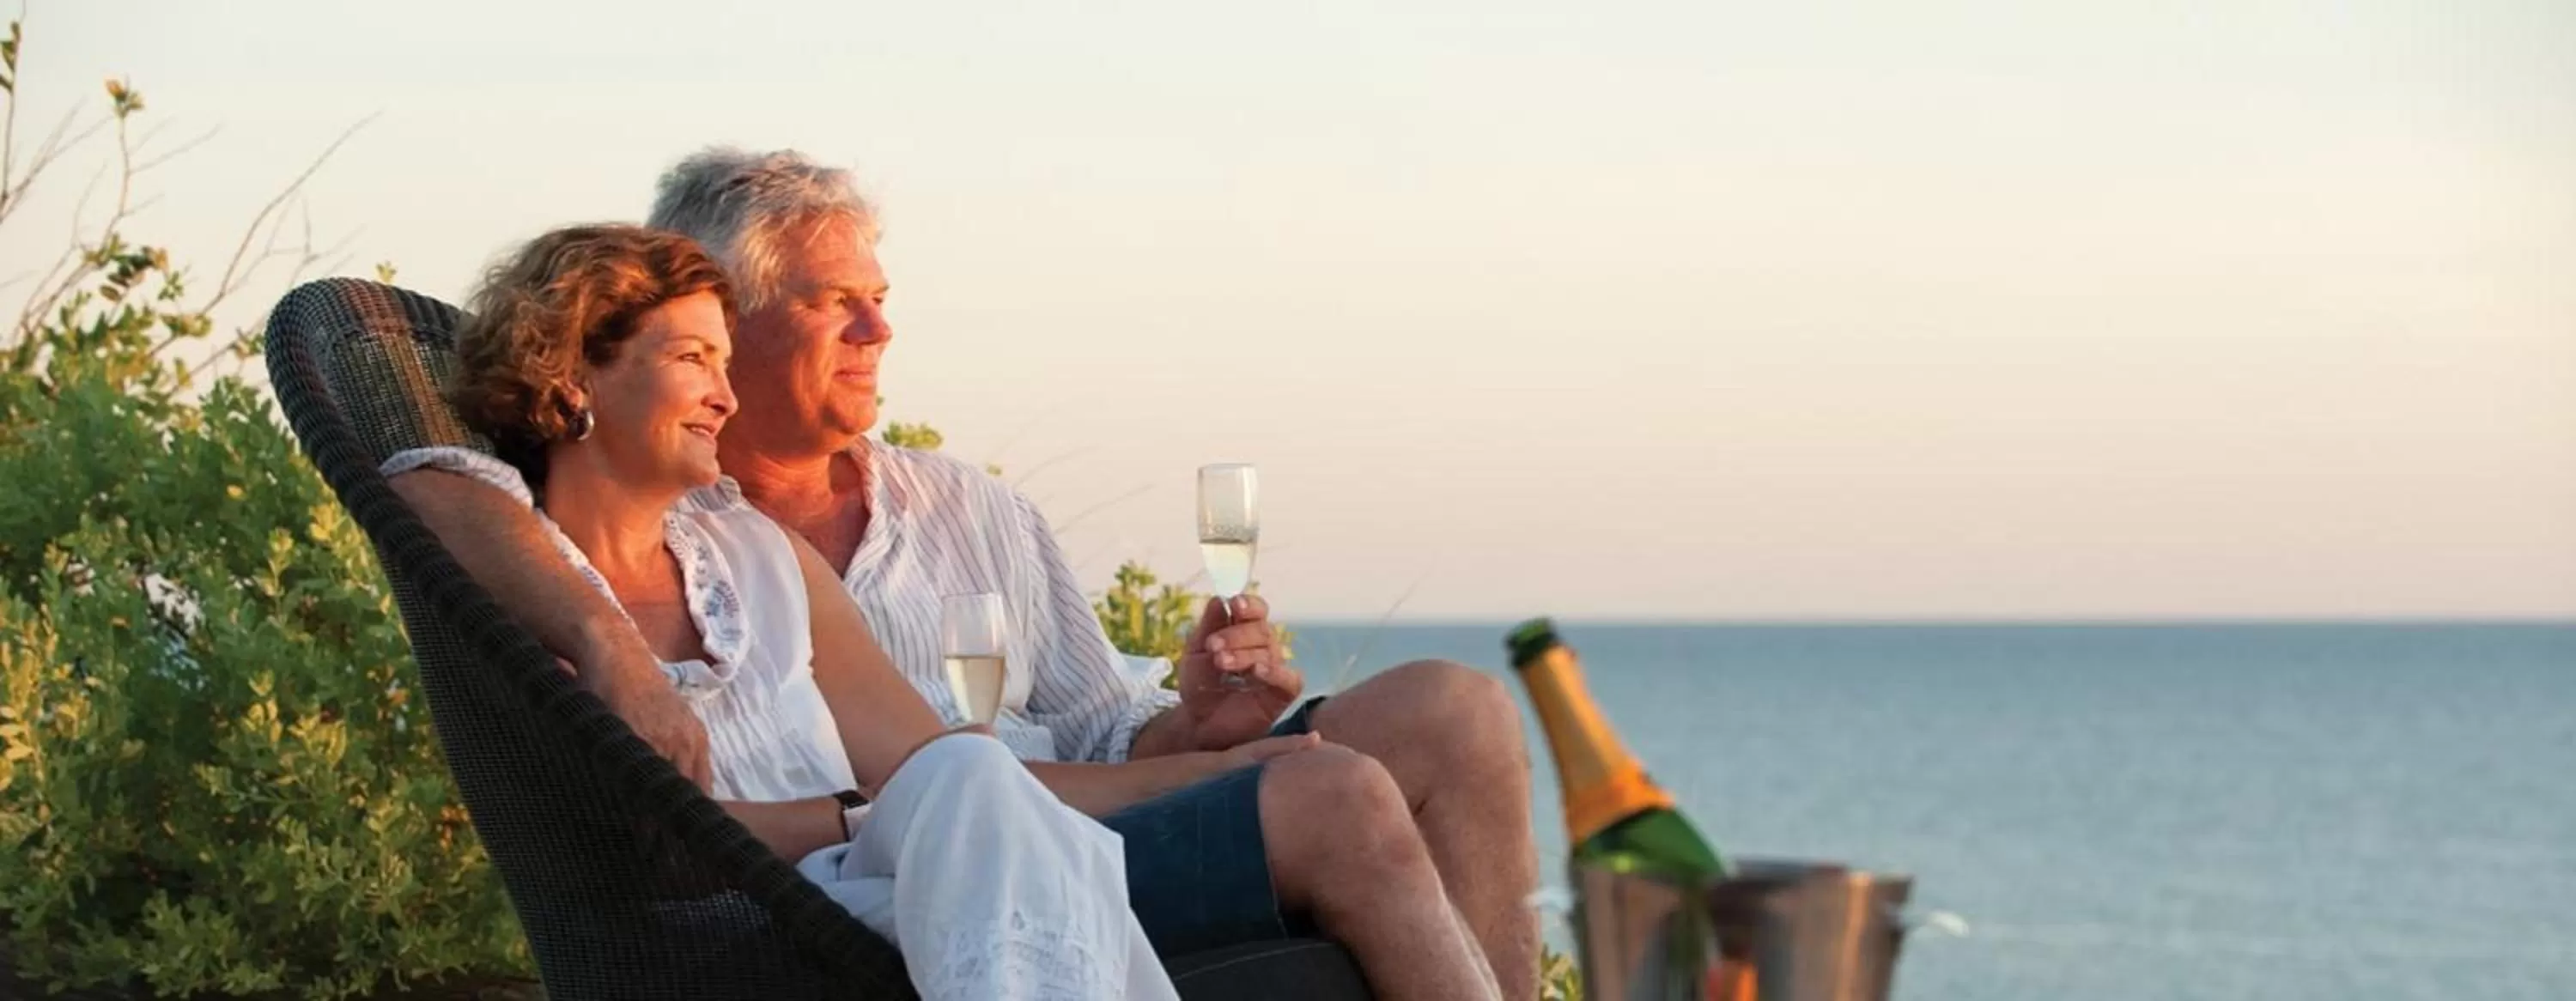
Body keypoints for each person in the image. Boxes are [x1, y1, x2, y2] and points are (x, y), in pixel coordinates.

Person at [392, 150, 1528, 1000]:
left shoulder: (860, 535)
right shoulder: (558, 548)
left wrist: (1213, 741)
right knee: (1323, 800)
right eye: (832, 303)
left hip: (1003, 819)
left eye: (878, 297)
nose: (880, 328)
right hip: (858, 893)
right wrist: (602, 640)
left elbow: (1012, 756)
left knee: (1452, 712)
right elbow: (428, 485)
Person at [396, 223, 1180, 1000]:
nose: (725, 398)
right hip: (745, 937)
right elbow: (417, 486)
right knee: (1027, 845)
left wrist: (1208, 770)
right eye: (691, 359)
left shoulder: (758, 558)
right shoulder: (523, 576)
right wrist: (607, 641)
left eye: (726, 364)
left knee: (986, 783)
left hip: (857, 900)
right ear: (573, 379)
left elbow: (928, 768)